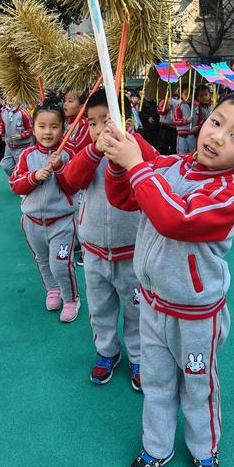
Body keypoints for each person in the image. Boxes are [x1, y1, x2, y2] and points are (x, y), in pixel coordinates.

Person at [101, 91, 234, 467]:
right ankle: (155, 447)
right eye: (216, 122)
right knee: (157, 382)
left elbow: (174, 220)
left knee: (198, 387)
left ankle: (205, 451)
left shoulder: (227, 195)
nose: (216, 137)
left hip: (196, 317)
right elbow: (124, 195)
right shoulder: (172, 166)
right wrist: (119, 155)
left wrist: (135, 164)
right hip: (153, 305)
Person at [62, 90, 147, 387]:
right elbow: (71, 180)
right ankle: (107, 351)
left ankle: (138, 356)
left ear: (125, 120)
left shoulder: (135, 151)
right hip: (94, 251)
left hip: (133, 251)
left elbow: (155, 166)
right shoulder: (88, 152)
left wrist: (131, 146)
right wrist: (94, 150)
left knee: (138, 310)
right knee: (100, 309)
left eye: (106, 121)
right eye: (92, 122)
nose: (99, 129)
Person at [9, 99, 81, 323]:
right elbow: (15, 184)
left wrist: (59, 167)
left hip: (62, 221)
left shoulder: (68, 154)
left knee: (60, 263)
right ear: (33, 127)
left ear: (63, 128)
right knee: (42, 260)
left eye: (54, 126)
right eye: (42, 126)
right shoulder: (27, 155)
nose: (47, 132)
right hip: (32, 221)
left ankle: (71, 299)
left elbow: (73, 185)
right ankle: (53, 290)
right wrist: (33, 177)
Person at [0, 101, 34, 176]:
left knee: (22, 168)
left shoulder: (23, 112)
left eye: (13, 96)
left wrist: (21, 135)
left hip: (23, 146)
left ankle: (22, 183)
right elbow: (2, 125)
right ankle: (16, 180)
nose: (10, 98)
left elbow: (31, 128)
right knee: (6, 166)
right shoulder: (3, 112)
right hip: (9, 145)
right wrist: (1, 133)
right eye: (8, 96)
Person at [62, 89, 91, 158]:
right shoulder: (64, 121)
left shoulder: (85, 124)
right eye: (65, 100)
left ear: (81, 107)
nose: (65, 104)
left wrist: (59, 139)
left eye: (70, 101)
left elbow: (78, 149)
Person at [172, 88, 196, 155]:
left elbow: (200, 118)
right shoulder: (179, 105)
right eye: (186, 94)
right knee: (182, 152)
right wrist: (186, 121)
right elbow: (175, 120)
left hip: (193, 133)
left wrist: (198, 127)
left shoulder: (196, 105)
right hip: (182, 134)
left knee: (192, 152)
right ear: (181, 95)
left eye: (191, 93)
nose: (189, 95)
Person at [157, 89, 179, 155]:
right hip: (166, 125)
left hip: (175, 126)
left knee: (173, 144)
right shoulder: (165, 99)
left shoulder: (179, 100)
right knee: (164, 144)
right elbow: (159, 110)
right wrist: (167, 108)